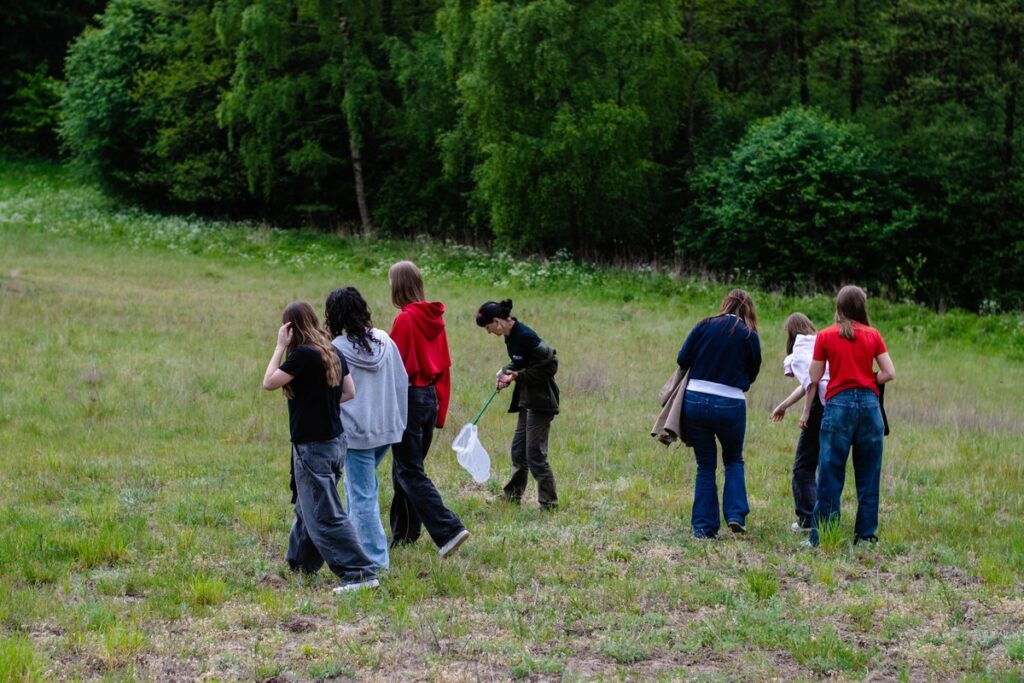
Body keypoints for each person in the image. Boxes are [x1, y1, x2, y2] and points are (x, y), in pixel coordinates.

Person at [261, 301, 379, 593]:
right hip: (336, 442)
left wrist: (279, 347)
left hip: (312, 446)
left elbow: (269, 382)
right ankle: (301, 564)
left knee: (324, 513)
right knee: (308, 506)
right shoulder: (332, 351)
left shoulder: (303, 355)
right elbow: (349, 391)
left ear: (290, 328)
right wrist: (320, 402)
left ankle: (360, 573)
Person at [386, 261, 470, 557]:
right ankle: (404, 535)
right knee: (404, 470)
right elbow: (444, 367)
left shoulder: (405, 321)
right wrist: (440, 410)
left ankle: (449, 530)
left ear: (398, 286)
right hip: (429, 399)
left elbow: (393, 369)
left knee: (409, 471)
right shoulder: (435, 319)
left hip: (409, 399)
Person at [803, 285, 895, 547]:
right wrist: (869, 378)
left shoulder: (825, 336)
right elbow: (889, 372)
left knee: (831, 471)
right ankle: (865, 535)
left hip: (838, 406)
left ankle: (823, 535)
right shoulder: (873, 335)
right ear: (862, 306)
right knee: (869, 474)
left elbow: (814, 376)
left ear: (839, 306)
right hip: (869, 406)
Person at [325, 287, 408, 571]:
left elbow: (332, 394)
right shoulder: (385, 339)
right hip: (386, 429)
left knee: (362, 496)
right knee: (361, 489)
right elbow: (401, 381)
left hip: (357, 434)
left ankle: (374, 561)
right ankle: (356, 546)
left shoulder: (336, 349)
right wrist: (398, 422)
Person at [677, 289, 762, 540]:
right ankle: (735, 514)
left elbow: (682, 358)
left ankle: (704, 528)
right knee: (733, 460)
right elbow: (752, 374)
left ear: (725, 303)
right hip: (731, 403)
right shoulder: (749, 335)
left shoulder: (704, 325)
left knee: (705, 466)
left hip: (695, 399)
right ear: (748, 309)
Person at [476, 299, 559, 510]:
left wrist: (517, 376)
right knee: (518, 452)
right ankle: (512, 496)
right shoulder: (509, 336)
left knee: (535, 455)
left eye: (488, 328)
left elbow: (550, 365)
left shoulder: (525, 336)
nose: (488, 332)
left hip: (541, 401)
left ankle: (549, 505)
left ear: (497, 321)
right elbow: (521, 361)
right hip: (526, 399)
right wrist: (506, 371)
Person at [770, 312, 831, 533]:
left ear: (791, 333)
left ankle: (807, 518)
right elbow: (809, 383)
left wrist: (805, 412)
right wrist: (784, 405)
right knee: (825, 463)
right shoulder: (819, 341)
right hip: (833, 403)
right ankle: (825, 518)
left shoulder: (799, 352)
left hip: (818, 407)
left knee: (802, 466)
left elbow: (811, 383)